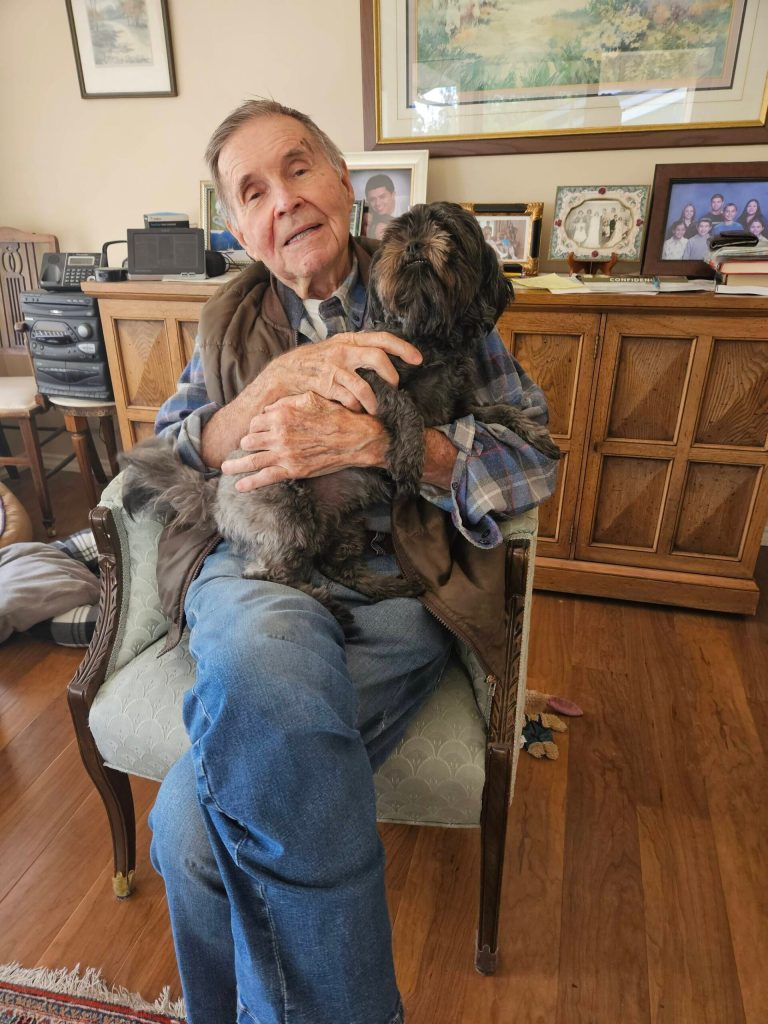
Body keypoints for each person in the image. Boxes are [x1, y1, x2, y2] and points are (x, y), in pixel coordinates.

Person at [148, 98, 558, 1024]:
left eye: (299, 169)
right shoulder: (227, 323)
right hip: (259, 575)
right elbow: (172, 446)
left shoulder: (429, 283)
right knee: (266, 663)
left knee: (189, 833)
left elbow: (534, 460)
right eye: (252, 191)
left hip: (394, 582)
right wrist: (253, 398)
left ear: (345, 184)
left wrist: (387, 446)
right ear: (240, 229)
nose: (283, 200)